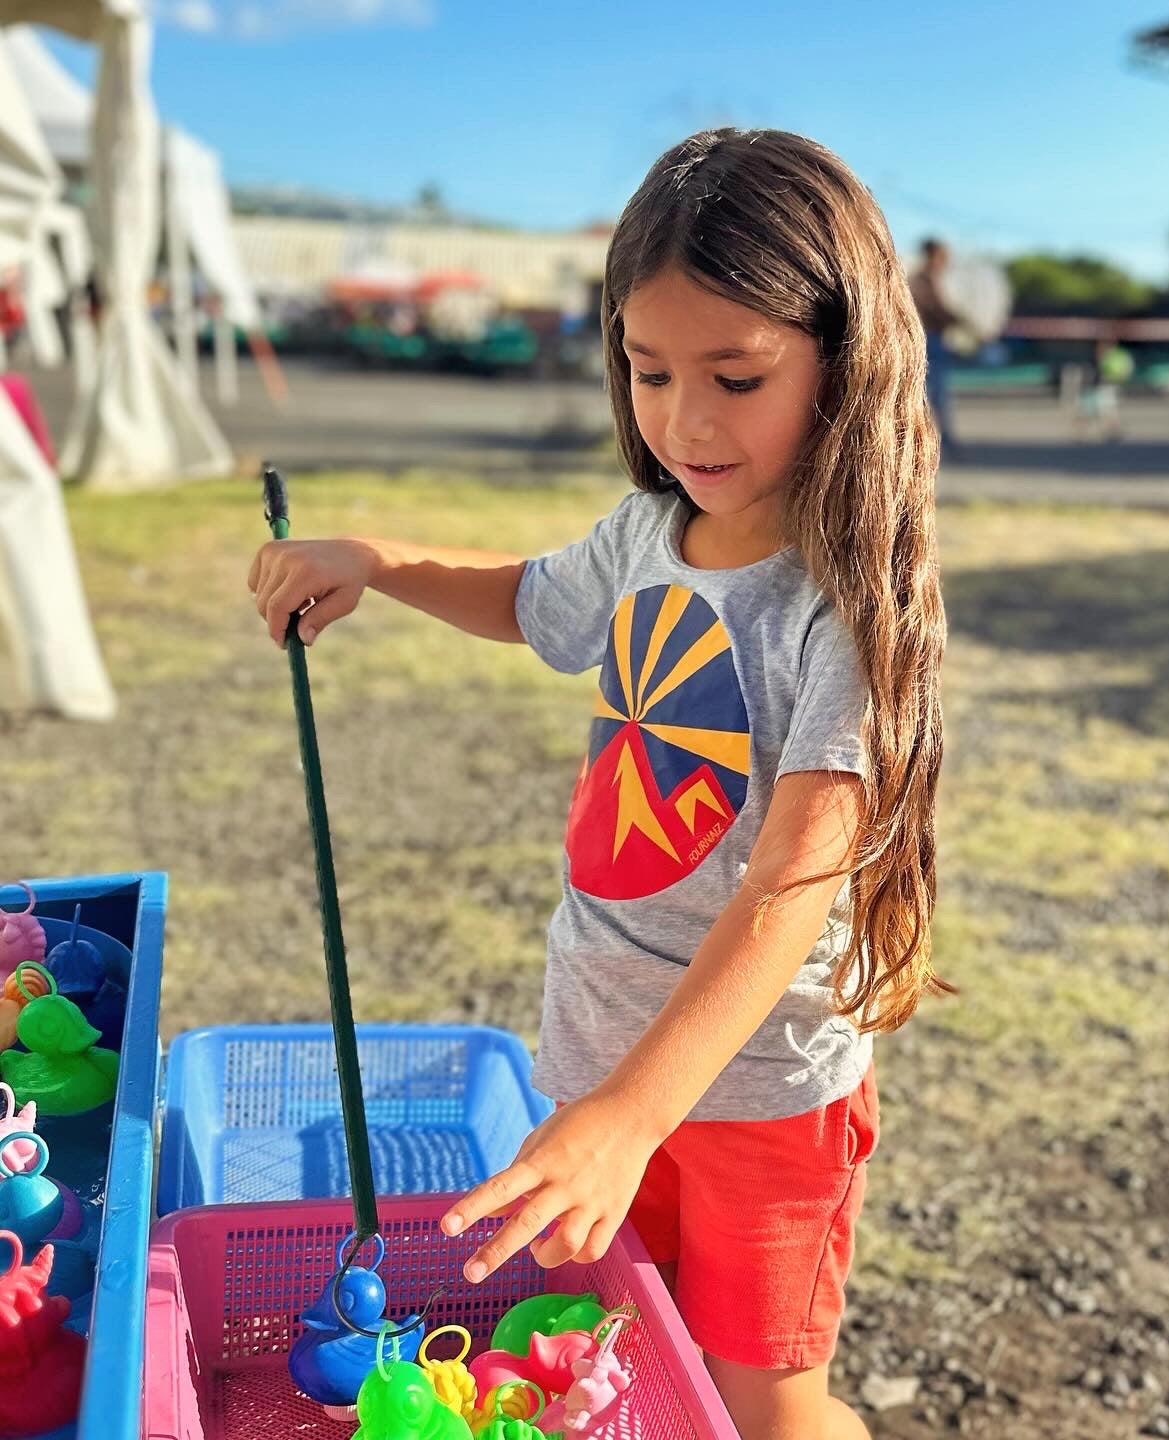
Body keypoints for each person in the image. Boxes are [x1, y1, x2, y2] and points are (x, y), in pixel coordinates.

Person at [247, 128, 949, 1440]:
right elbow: (531, 600)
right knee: (607, 1348)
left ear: (844, 364)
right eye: (648, 369)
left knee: (764, 1395)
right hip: (595, 1039)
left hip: (755, 1091)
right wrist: (380, 559)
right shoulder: (647, 532)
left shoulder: (839, 610)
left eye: (738, 376)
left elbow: (794, 882)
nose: (686, 419)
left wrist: (640, 1111)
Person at [909, 237, 965, 462]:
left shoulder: (931, 281)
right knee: (931, 395)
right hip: (928, 342)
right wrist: (957, 319)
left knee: (936, 396)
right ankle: (940, 444)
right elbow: (934, 310)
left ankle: (943, 443)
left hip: (935, 342)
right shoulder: (919, 282)